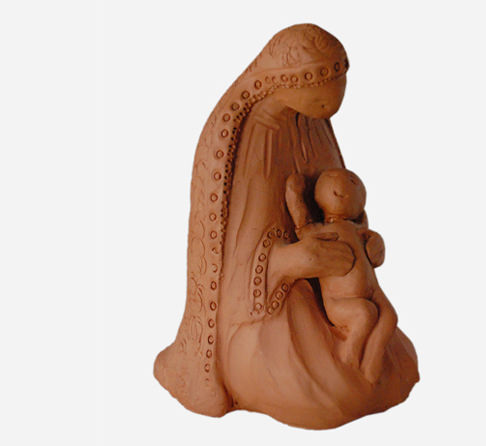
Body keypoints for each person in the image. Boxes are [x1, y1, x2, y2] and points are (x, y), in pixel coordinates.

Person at [154, 23, 419, 429]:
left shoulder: (311, 123)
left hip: (334, 290)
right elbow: (236, 271)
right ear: (292, 84)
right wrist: (295, 260)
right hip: (271, 311)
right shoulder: (248, 141)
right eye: (322, 96)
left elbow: (344, 206)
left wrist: (365, 241)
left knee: (391, 354)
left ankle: (356, 357)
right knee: (327, 391)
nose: (330, 108)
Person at [286, 168, 396, 373]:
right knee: (365, 314)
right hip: (339, 302)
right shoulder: (322, 230)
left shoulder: (360, 230)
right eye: (333, 178)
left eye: (353, 182)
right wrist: (294, 194)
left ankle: (372, 360)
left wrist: (377, 245)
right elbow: (302, 228)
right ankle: (349, 358)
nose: (348, 182)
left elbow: (375, 257)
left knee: (389, 317)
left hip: (373, 292)